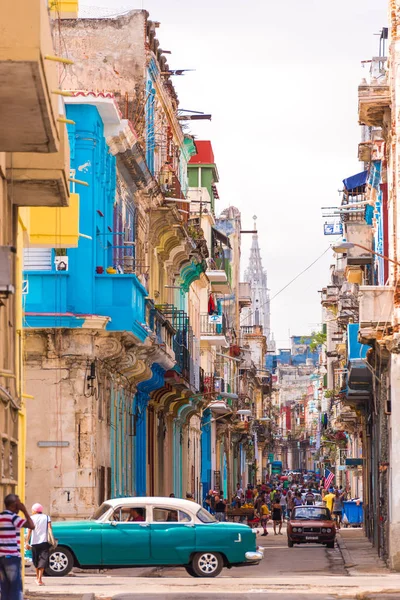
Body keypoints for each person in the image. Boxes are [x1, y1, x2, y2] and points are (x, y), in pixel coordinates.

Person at [0, 494, 35, 600]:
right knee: (15, 589)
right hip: (12, 557)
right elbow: (32, 525)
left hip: (1, 557)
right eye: (18, 502)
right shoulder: (13, 518)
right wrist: (24, 511)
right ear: (14, 505)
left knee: (4, 589)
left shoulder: (1, 517)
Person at [25, 503, 52, 587]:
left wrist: (26, 542)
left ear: (34, 510)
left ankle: (38, 578)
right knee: (43, 560)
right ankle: (39, 579)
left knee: (36, 560)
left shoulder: (31, 518)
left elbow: (29, 531)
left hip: (34, 542)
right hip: (44, 542)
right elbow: (50, 529)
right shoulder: (47, 517)